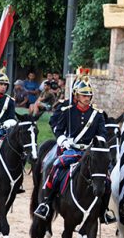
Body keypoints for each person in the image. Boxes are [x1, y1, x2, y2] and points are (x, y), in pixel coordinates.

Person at [34, 76, 107, 220]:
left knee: (107, 177)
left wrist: (98, 142)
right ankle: (46, 202)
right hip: (72, 150)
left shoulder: (97, 114)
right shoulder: (67, 110)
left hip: (89, 152)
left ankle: (104, 211)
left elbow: (102, 134)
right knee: (54, 166)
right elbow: (59, 130)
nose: (87, 98)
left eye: (89, 95)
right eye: (84, 95)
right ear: (76, 95)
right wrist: (63, 140)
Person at [0, 68, 24, 193]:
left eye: (6, 84)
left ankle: (17, 181)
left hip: (4, 131)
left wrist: (6, 125)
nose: (4, 86)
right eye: (1, 84)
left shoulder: (10, 101)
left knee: (19, 151)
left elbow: (11, 117)